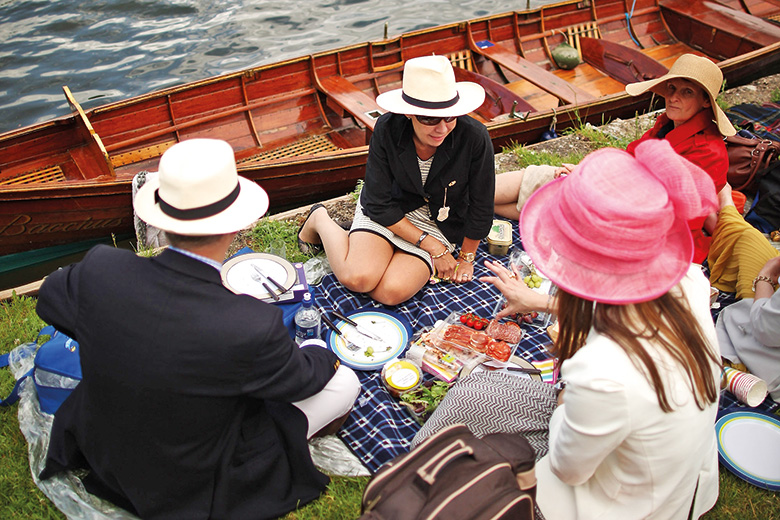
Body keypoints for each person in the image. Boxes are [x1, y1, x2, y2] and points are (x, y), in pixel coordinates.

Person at [36, 139, 361, 519]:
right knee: (346, 383)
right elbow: (301, 380)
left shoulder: (100, 269)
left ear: (159, 218)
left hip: (108, 450)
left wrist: (118, 335)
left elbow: (49, 299)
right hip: (191, 481)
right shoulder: (249, 323)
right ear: (237, 225)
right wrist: (320, 351)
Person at [427, 140, 722, 519]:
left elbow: (569, 468)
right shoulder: (690, 281)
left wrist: (569, 379)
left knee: (469, 438)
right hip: (674, 471)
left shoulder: (602, 372)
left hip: (623, 503)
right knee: (479, 387)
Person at [494, 53, 736, 264]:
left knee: (550, 203)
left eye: (687, 92)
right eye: (672, 88)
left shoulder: (708, 152)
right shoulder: (667, 124)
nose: (673, 97)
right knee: (526, 181)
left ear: (706, 101)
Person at [297, 55, 495, 305]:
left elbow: (482, 202)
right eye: (430, 119)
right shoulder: (387, 128)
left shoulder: (476, 137)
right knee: (358, 278)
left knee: (391, 293)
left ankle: (371, 248)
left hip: (440, 222)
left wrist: (467, 256)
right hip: (389, 211)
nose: (442, 129)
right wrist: (432, 247)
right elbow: (379, 202)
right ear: (409, 113)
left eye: (450, 117)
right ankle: (321, 219)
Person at [706, 183, 780, 401]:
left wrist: (766, 276)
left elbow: (765, 328)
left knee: (746, 239)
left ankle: (720, 210)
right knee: (750, 239)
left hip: (765, 354)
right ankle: (722, 209)